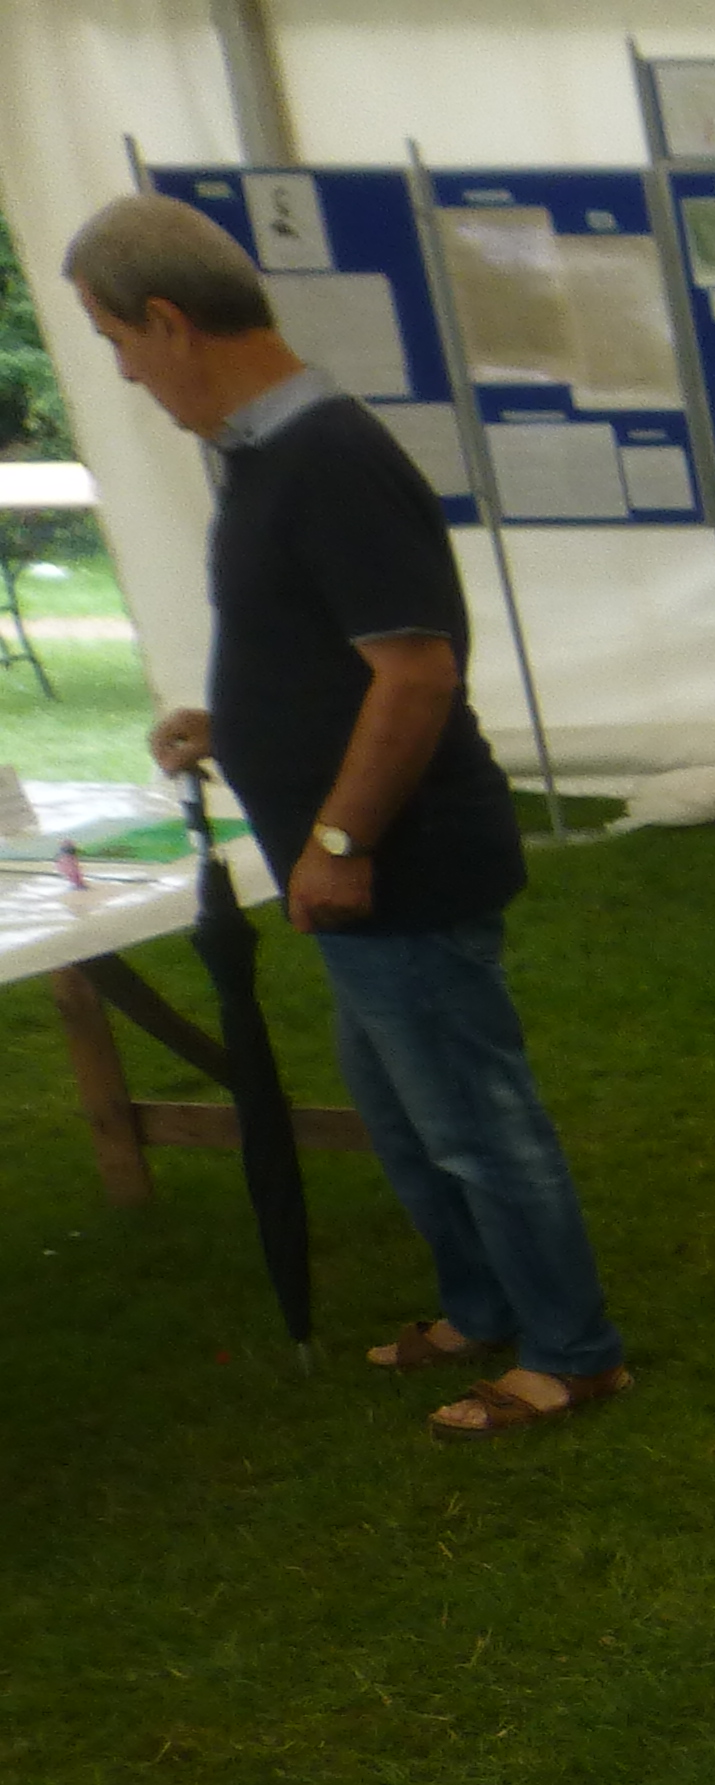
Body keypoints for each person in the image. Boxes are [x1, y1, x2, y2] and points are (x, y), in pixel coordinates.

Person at [65, 192, 627, 1440]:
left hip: (402, 862)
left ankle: (573, 1352)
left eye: (117, 342)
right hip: (363, 868)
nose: (125, 373)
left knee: (477, 1124)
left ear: (168, 320)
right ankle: (482, 1307)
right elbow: (334, 652)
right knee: (410, 1122)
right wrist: (238, 724)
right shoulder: (271, 455)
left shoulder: (329, 458)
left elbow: (416, 673)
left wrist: (338, 842)